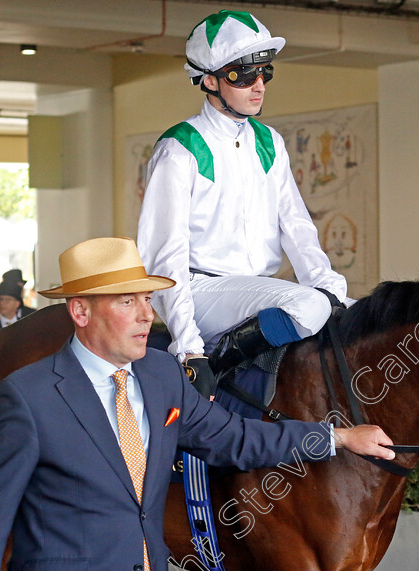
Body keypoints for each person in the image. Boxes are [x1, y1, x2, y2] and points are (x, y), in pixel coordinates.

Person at [0, 237, 394, 571]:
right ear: (80, 312)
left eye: (147, 299)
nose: (147, 315)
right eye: (128, 301)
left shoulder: (162, 375)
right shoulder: (28, 397)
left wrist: (337, 436)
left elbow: (235, 438)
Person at [137, 10, 348, 397]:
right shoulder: (180, 147)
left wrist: (328, 287)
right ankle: (217, 364)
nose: (258, 86)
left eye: (264, 72)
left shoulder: (270, 141)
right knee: (309, 308)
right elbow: (163, 253)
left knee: (370, 316)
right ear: (209, 80)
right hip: (201, 292)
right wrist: (188, 346)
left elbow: (297, 227)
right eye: (243, 76)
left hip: (257, 292)